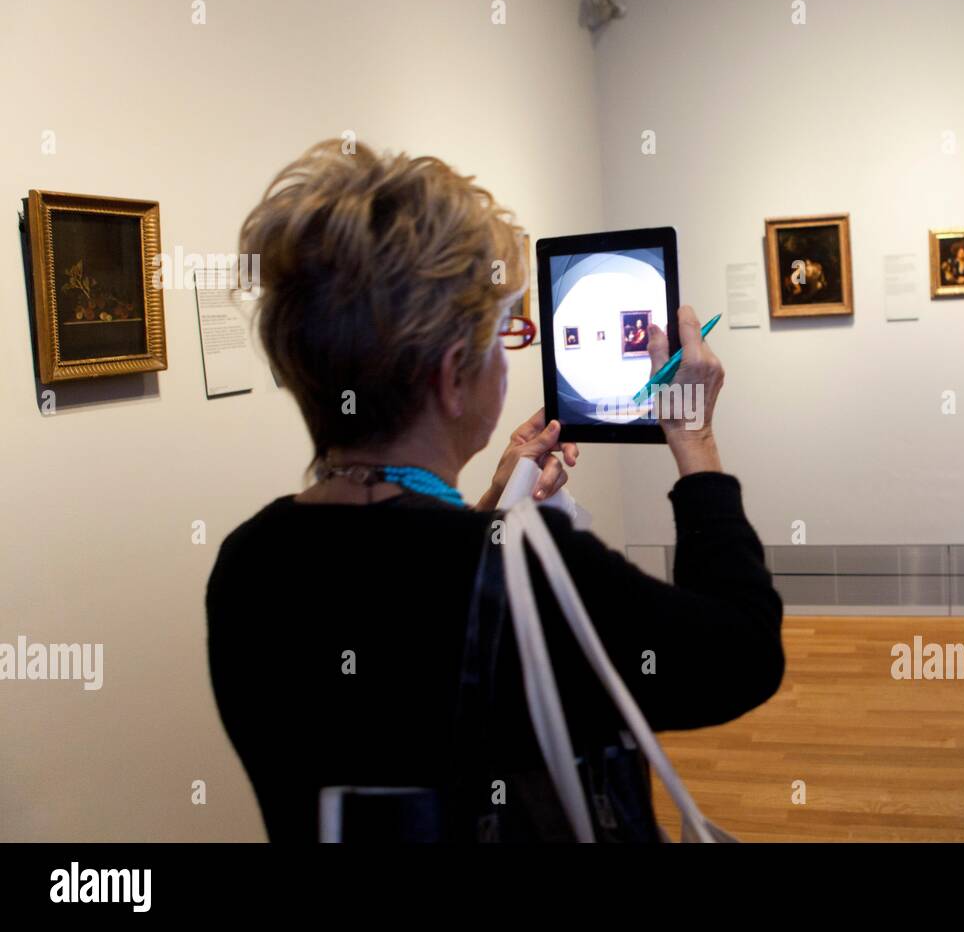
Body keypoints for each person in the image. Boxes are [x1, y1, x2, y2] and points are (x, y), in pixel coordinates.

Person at [205, 140, 784, 842]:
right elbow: (742, 656)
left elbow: (397, 616)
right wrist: (694, 441)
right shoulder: (530, 572)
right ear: (453, 376)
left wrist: (484, 509)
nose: (513, 361)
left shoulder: (247, 562)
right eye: (508, 332)